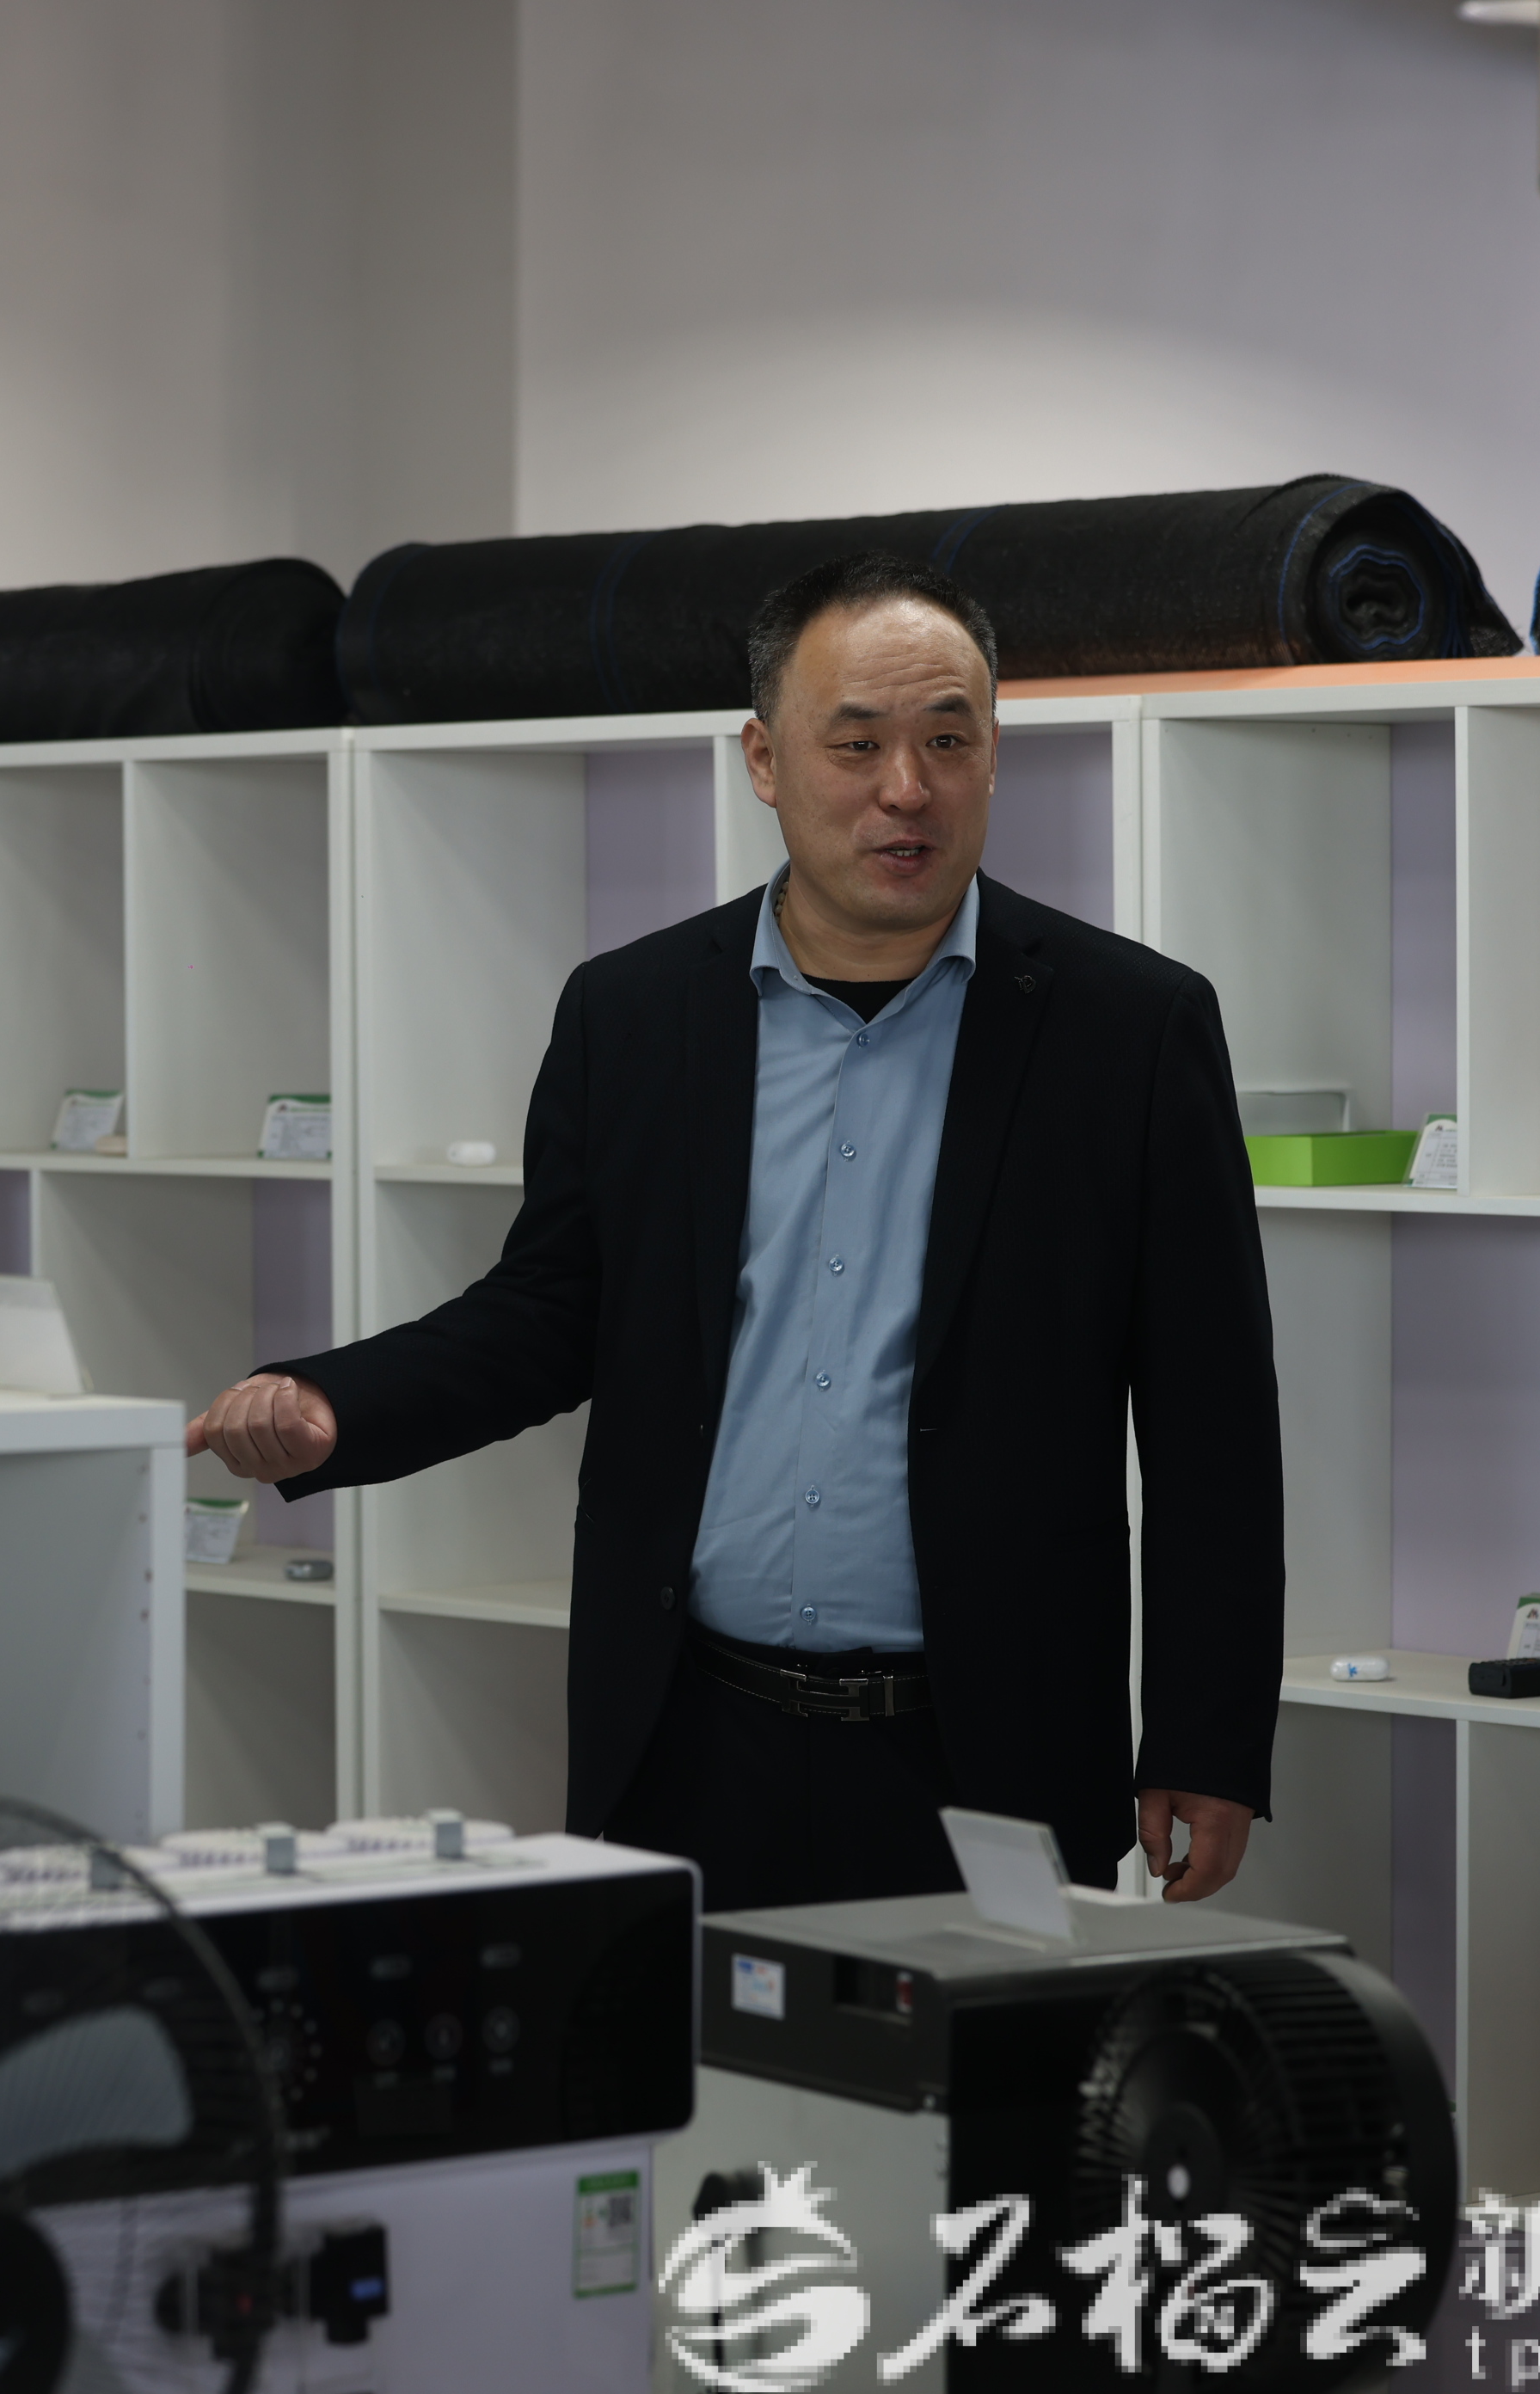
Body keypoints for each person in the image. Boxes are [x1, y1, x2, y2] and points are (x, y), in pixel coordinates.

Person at [187, 551, 1282, 1913]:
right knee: (696, 2059)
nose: (907, 788)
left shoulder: (1130, 1031)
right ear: (764, 760)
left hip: (986, 1748)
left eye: (949, 741)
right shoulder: (634, 1016)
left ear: (996, 755)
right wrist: (333, 1406)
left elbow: (1211, 1415)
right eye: (857, 744)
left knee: (982, 2061)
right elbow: (549, 1311)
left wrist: (1207, 1738)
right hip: (688, 1732)